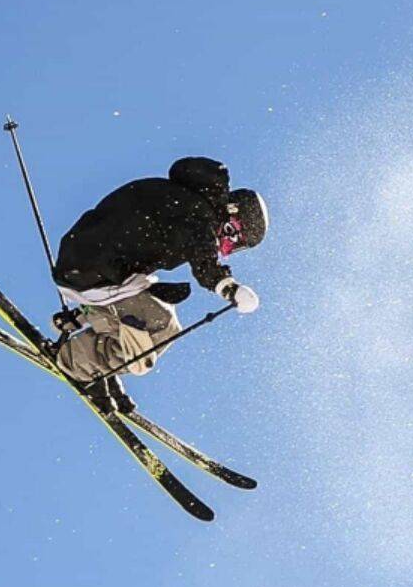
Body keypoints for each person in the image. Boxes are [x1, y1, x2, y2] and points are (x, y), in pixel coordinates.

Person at [49, 157, 268, 412]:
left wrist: (80, 316)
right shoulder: (199, 215)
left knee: (152, 309)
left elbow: (130, 242)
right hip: (94, 271)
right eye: (233, 239)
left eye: (233, 249)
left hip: (83, 266)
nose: (225, 247)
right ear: (232, 216)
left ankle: (96, 346)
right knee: (162, 325)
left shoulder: (181, 199)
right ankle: (77, 363)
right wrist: (230, 289)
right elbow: (204, 264)